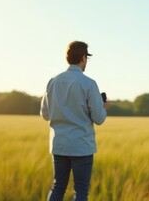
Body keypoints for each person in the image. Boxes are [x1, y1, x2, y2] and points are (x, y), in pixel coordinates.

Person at [40, 41, 108, 201]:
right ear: (84, 58)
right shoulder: (89, 83)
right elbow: (99, 118)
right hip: (81, 147)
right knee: (81, 191)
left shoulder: (53, 81)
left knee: (58, 187)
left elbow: (45, 114)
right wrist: (103, 107)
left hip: (59, 145)